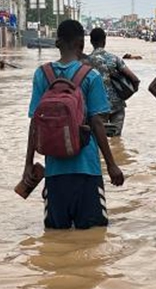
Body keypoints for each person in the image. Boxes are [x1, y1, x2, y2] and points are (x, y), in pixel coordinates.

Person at [22, 19, 125, 230]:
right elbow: (97, 123)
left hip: (54, 172)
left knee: (55, 236)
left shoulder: (42, 74)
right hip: (87, 170)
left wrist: (28, 166)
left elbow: (35, 124)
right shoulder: (91, 76)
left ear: (57, 43)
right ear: (82, 44)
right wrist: (112, 165)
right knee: (94, 237)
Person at [86, 27, 139, 137]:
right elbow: (135, 79)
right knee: (116, 141)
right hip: (117, 106)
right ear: (104, 41)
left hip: (96, 108)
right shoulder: (114, 59)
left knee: (99, 142)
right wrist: (129, 93)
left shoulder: (85, 62)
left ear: (91, 41)